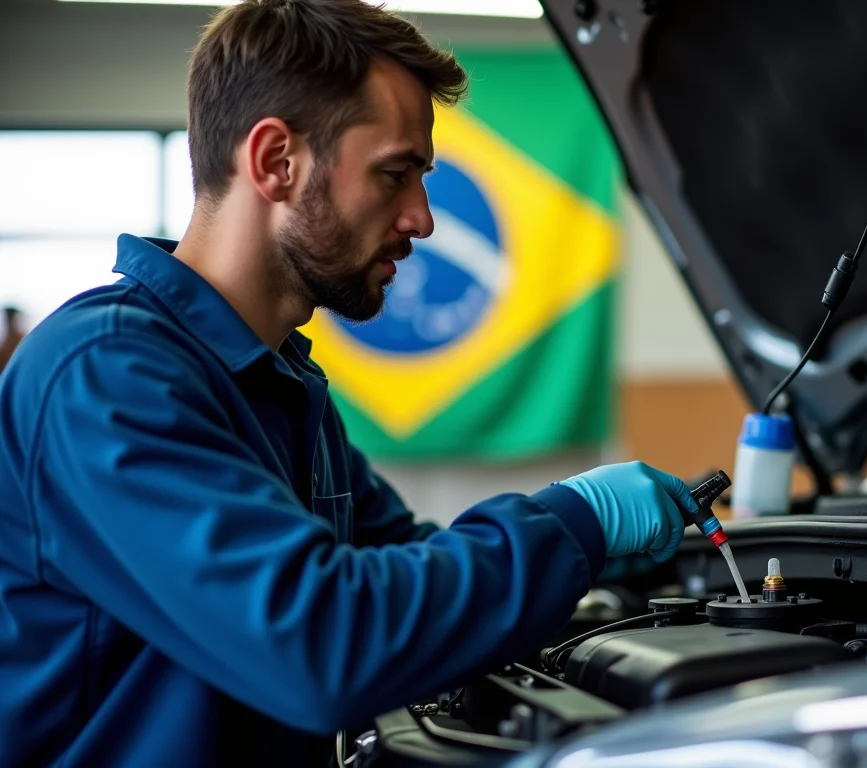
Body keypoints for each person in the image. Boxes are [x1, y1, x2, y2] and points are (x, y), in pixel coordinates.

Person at [0, 2, 697, 766]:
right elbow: (325, 643)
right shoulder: (105, 375)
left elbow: (404, 568)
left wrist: (605, 559)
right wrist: (576, 522)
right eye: (396, 175)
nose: (423, 219)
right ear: (274, 161)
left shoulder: (281, 382)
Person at [0, 305, 24, 373]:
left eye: (10, 317)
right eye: (7, 317)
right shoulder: (4, 338)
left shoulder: (19, 338)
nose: (8, 320)